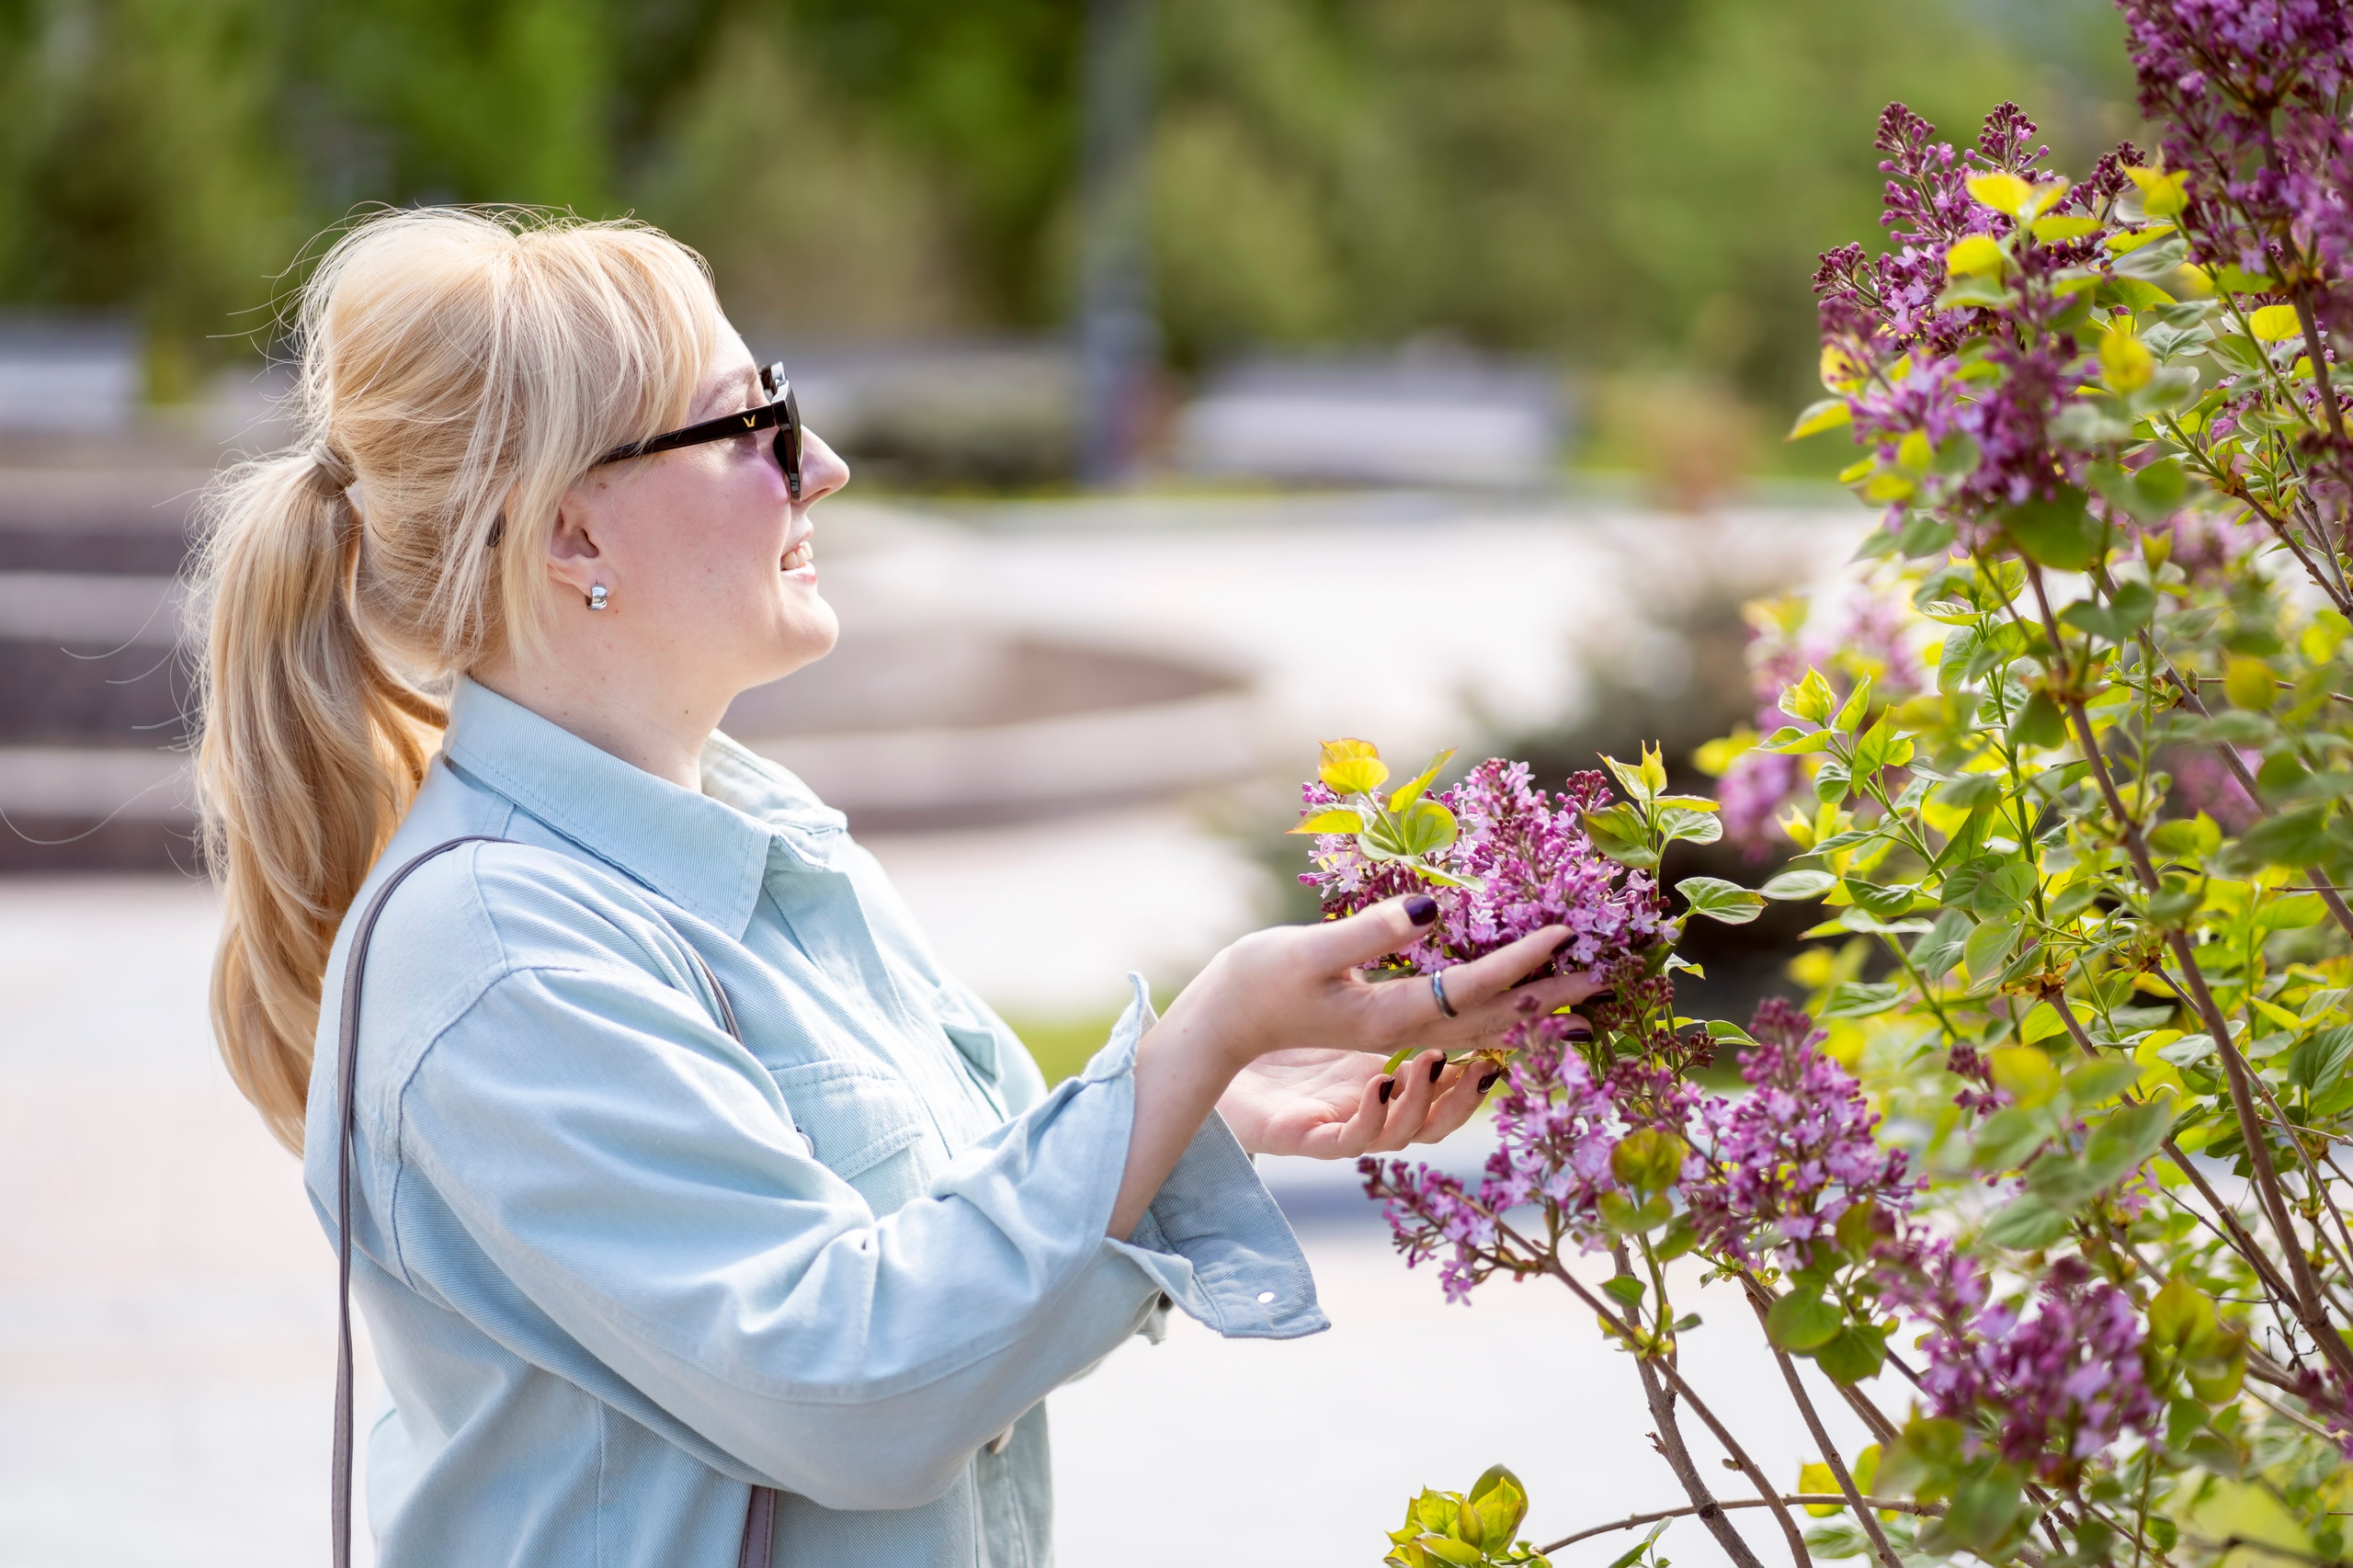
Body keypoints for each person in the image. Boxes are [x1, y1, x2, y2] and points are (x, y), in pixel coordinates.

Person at [194, 208, 1598, 1567]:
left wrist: (1204, 1099)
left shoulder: (751, 833)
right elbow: (853, 1387)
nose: (825, 468)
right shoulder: (504, 958)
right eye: (753, 426)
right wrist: (1205, 1027)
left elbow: (938, 1245)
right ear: (571, 537)